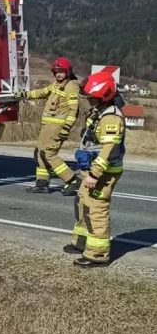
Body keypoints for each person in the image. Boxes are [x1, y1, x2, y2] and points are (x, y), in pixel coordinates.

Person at [65, 71, 125, 267]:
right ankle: (81, 243)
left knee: (96, 210)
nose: (89, 100)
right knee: (82, 203)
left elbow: (108, 150)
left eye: (93, 97)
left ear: (103, 96)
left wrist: (94, 174)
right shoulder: (100, 111)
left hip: (102, 173)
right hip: (91, 170)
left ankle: (97, 255)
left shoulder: (111, 118)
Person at [16, 57, 81, 195]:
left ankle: (72, 180)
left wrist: (66, 128)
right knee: (39, 152)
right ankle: (42, 183)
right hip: (47, 126)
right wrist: (24, 95)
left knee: (49, 154)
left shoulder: (71, 87)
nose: (58, 74)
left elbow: (73, 110)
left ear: (68, 72)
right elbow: (42, 93)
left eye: (61, 72)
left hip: (57, 128)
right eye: (56, 72)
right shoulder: (55, 85)